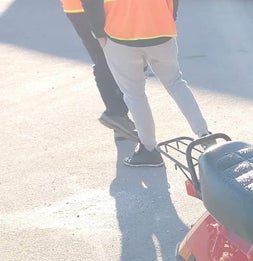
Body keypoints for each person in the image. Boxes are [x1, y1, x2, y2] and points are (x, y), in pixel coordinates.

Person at [81, 0, 210, 168]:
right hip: (161, 30)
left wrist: (99, 35)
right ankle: (205, 136)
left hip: (120, 35)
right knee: (175, 83)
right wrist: (169, 18)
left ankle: (149, 150)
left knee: (134, 94)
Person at [59, 0, 137, 140]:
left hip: (76, 8)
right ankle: (116, 113)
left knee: (103, 57)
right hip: (94, 7)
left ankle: (119, 123)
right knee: (111, 57)